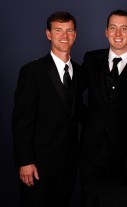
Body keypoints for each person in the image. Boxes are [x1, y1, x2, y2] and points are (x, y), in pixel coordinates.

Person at [12, 11, 84, 206]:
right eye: (58, 30)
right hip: (37, 165)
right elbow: (22, 120)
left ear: (75, 35)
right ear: (48, 34)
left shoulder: (79, 71)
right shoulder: (32, 72)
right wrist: (25, 162)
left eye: (69, 30)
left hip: (68, 164)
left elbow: (79, 112)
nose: (64, 36)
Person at [79, 9, 127, 190]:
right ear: (106, 32)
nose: (118, 34)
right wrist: (88, 119)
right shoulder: (91, 59)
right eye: (113, 28)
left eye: (123, 28)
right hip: (92, 150)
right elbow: (72, 95)